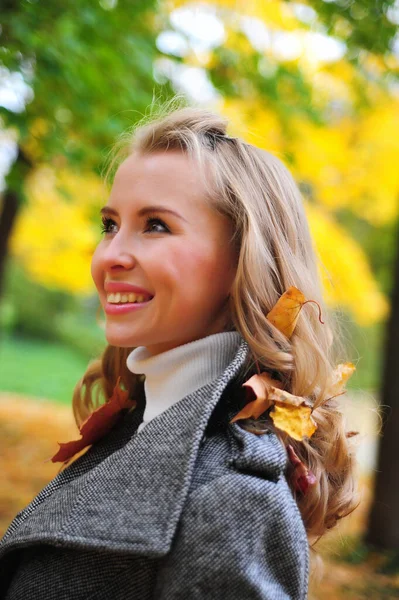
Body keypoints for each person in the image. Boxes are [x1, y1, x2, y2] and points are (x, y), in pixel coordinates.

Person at [0, 99, 359, 599]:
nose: (110, 256)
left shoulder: (235, 497)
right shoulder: (137, 427)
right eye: (110, 224)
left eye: (155, 225)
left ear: (243, 262)